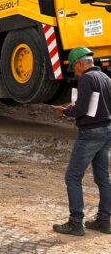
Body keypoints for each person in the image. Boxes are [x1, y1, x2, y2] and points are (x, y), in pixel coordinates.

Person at [52, 46, 111, 236]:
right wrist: (75, 107)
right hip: (107, 130)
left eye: (74, 69)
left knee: (72, 176)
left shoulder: (87, 78)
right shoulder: (106, 78)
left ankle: (75, 222)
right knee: (103, 177)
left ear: (79, 63)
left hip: (91, 132)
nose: (75, 74)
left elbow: (82, 109)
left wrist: (65, 111)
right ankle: (105, 220)